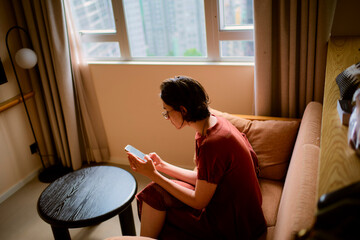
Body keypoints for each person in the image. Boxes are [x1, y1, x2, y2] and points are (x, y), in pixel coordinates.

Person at [127, 76, 266, 239]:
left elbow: (199, 201)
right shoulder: (214, 124)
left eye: (167, 111)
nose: (167, 117)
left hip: (234, 224)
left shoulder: (213, 143)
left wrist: (153, 175)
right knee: (154, 193)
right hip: (231, 206)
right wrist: (162, 166)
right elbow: (204, 179)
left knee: (154, 198)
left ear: (183, 110)